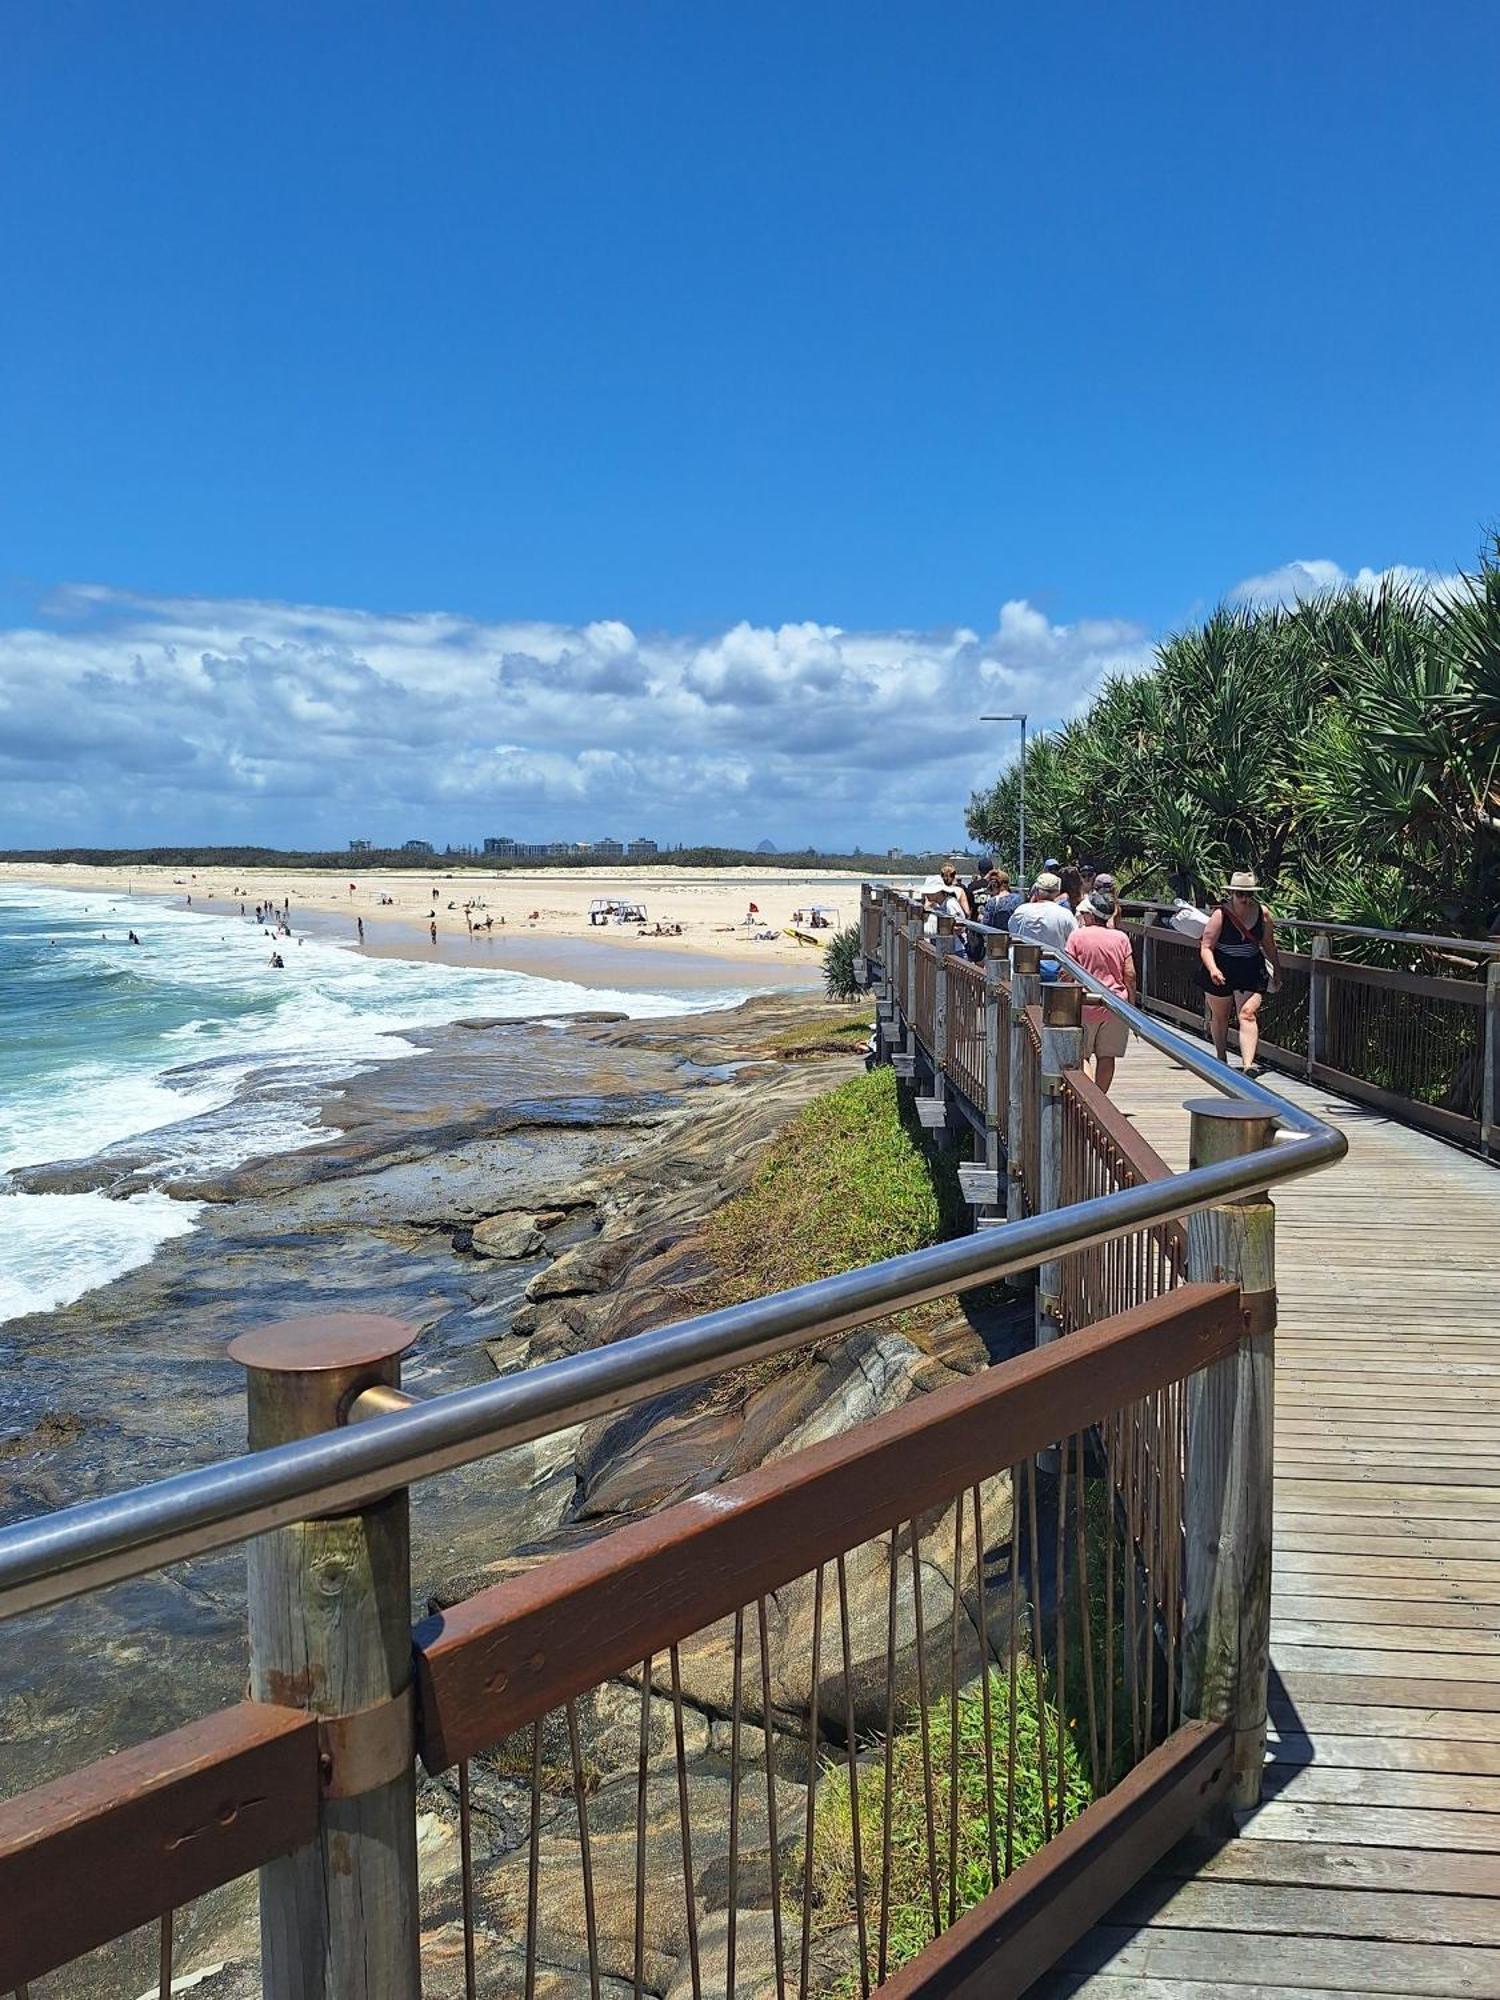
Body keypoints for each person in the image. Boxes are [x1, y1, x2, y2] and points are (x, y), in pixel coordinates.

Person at [1197, 871, 1281, 1076]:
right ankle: (1221, 1057)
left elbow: (1269, 944)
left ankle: (1248, 1064)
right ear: (1232, 894)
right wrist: (1213, 969)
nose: (1245, 899)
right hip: (1222, 964)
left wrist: (1277, 969)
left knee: (1248, 1013)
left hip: (1250, 966)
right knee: (1221, 1016)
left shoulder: (1263, 914)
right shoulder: (1221, 914)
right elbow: (1206, 946)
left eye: (1249, 895)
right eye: (1240, 895)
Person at [1065, 892, 1136, 1092]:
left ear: (1091, 915)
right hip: (1115, 1004)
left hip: (1085, 1002)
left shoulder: (1077, 936)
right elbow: (1130, 974)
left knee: (1083, 1055)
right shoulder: (1121, 938)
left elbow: (1066, 971)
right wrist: (1131, 1003)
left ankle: (1090, 1100)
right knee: (1107, 1057)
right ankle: (1101, 1099)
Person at [1008, 872, 1078, 976]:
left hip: (1023, 970)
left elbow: (1012, 931)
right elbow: (1074, 939)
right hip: (1054, 974)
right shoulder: (1065, 914)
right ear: (1057, 891)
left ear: (1036, 890)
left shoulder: (1022, 910)